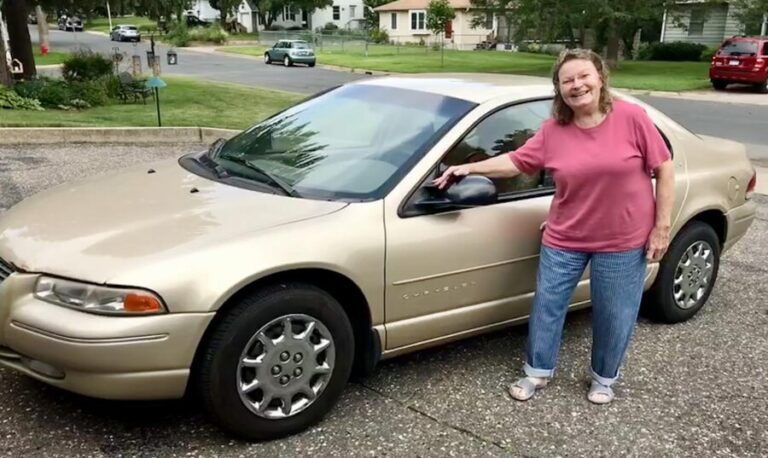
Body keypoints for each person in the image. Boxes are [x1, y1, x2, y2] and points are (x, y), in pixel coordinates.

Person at [433, 48, 675, 405]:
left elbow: (664, 168)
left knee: (614, 312)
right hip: (565, 236)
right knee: (547, 305)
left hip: (623, 239)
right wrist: (468, 168)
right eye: (567, 80)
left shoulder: (631, 117)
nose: (577, 85)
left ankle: (604, 378)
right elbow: (516, 162)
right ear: (559, 89)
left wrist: (661, 226)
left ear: (600, 78)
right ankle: (537, 372)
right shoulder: (554, 131)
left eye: (583, 76)